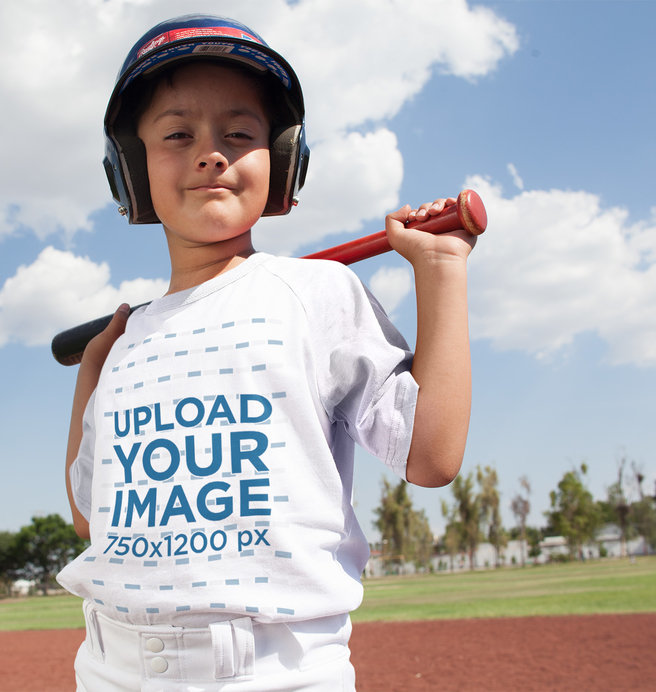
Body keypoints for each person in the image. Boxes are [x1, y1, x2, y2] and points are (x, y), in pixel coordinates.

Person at [57, 14, 475, 691]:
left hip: (274, 674)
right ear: (129, 167)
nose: (211, 152)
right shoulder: (126, 344)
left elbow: (429, 457)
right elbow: (88, 516)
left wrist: (440, 268)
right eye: (176, 134)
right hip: (109, 668)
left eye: (239, 133)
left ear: (281, 160)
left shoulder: (317, 293)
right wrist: (93, 374)